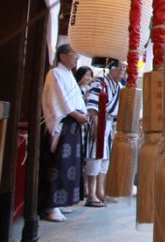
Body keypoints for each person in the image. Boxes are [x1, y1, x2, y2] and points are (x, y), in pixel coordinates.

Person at [39, 44, 88, 222]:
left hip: (73, 123)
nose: (76, 58)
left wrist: (82, 114)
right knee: (58, 164)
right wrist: (76, 115)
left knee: (71, 164)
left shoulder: (68, 74)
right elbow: (59, 99)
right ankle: (51, 206)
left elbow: (75, 99)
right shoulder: (55, 73)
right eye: (74, 54)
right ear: (62, 56)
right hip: (64, 122)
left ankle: (62, 202)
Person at [84, 60, 124, 207]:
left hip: (109, 123)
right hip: (98, 120)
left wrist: (114, 128)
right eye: (119, 68)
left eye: (123, 69)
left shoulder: (119, 86)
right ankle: (91, 193)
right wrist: (97, 125)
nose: (122, 71)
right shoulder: (100, 82)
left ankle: (101, 191)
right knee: (95, 155)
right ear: (111, 69)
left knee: (105, 159)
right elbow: (92, 106)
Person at [74, 66, 94, 198]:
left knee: (86, 155)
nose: (88, 78)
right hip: (78, 123)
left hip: (88, 124)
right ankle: (83, 186)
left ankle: (85, 186)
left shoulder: (90, 89)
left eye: (90, 75)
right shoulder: (75, 89)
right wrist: (84, 98)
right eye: (86, 75)